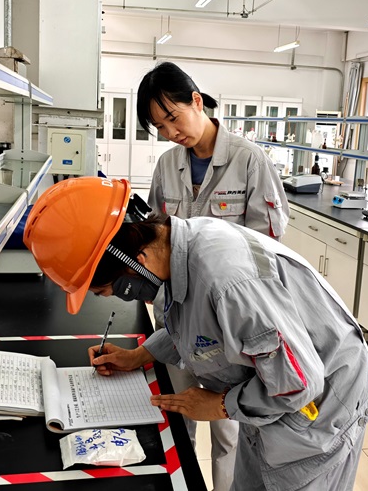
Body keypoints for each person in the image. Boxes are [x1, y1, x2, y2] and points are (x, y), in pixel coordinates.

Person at [23, 177, 368, 491]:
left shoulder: (229, 283)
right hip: (272, 395)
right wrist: (140, 355)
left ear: (134, 263)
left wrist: (221, 404)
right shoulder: (176, 248)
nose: (116, 298)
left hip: (319, 410)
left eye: (107, 291)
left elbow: (297, 385)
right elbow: (199, 321)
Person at [135, 61, 290, 491]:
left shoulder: (248, 160)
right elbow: (155, 233)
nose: (171, 132)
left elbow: (268, 250)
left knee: (229, 426)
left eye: (173, 117)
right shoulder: (167, 165)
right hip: (175, 318)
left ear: (196, 101)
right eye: (159, 126)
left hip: (229, 326)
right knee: (177, 414)